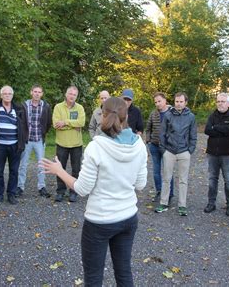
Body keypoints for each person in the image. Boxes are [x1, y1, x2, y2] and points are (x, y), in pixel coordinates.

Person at [40, 97, 147, 286]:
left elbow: (82, 189)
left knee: (93, 277)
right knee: (124, 272)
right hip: (128, 218)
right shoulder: (139, 144)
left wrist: (59, 171)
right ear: (126, 115)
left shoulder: (96, 146)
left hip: (100, 221)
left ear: (102, 115)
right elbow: (140, 184)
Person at [155, 92, 197, 216]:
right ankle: (164, 203)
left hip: (184, 152)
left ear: (185, 102)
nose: (178, 104)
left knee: (183, 180)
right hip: (169, 151)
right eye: (177, 101)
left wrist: (190, 150)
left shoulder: (191, 117)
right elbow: (162, 133)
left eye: (181, 101)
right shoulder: (168, 115)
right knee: (167, 178)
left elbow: (193, 135)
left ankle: (182, 205)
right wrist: (164, 150)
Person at [0, 85, 28, 205]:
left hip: (15, 145)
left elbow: (24, 126)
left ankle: (11, 194)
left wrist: (22, 141)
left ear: (12, 95)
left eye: (9, 94)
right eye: (5, 94)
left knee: (14, 171)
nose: (7, 96)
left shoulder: (19, 108)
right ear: (1, 95)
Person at [203, 93, 229, 216]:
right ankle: (211, 203)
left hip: (227, 153)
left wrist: (216, 128)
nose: (220, 103)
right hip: (212, 153)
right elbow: (207, 130)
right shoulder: (212, 115)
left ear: (228, 103)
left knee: (228, 180)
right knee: (212, 179)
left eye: (223, 101)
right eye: (218, 101)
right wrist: (222, 128)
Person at [17, 84, 52, 198]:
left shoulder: (46, 106)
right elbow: (20, 122)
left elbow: (48, 123)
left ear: (42, 94)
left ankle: (41, 187)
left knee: (41, 165)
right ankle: (20, 187)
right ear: (31, 92)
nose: (37, 94)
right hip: (27, 140)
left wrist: (43, 133)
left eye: (39, 92)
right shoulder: (24, 106)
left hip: (39, 140)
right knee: (23, 165)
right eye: (35, 91)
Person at [52, 85, 85, 202]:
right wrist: (73, 125)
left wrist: (65, 122)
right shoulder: (58, 107)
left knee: (76, 169)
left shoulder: (80, 108)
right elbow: (56, 125)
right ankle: (60, 191)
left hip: (76, 144)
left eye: (74, 95)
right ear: (66, 94)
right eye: (70, 94)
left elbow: (81, 122)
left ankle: (73, 191)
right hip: (62, 144)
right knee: (60, 168)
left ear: (77, 96)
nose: (72, 96)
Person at [146, 92, 173, 203]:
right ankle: (159, 191)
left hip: (168, 147)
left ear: (165, 100)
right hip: (154, 146)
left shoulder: (172, 113)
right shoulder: (153, 114)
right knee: (156, 171)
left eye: (159, 101)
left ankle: (169, 194)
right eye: (155, 102)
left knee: (168, 171)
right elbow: (148, 128)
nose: (157, 104)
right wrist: (148, 141)